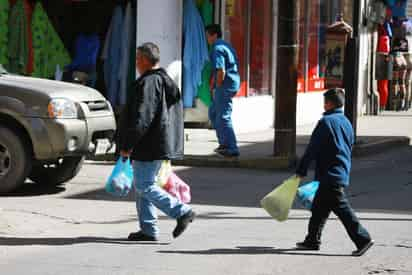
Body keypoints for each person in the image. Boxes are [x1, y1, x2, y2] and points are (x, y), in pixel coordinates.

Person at [119, 42, 195, 242]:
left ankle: (182, 211)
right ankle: (148, 229)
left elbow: (143, 116)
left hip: (149, 143)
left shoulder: (150, 82)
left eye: (137, 59)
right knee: (144, 185)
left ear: (144, 60)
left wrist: (128, 144)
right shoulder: (161, 80)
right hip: (156, 142)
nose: (136, 63)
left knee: (144, 185)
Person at [295, 88, 374, 257]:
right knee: (319, 209)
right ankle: (312, 240)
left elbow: (312, 149)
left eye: (325, 102)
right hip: (340, 171)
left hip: (330, 174)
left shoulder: (326, 122)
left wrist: (301, 169)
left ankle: (363, 239)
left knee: (341, 208)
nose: (323, 105)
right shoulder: (346, 122)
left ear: (329, 103)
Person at [206, 24, 240, 158]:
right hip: (229, 83)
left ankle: (231, 147)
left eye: (208, 35)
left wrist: (217, 86)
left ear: (214, 35)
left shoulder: (217, 48)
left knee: (223, 116)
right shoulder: (225, 45)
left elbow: (221, 70)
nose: (207, 38)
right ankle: (224, 144)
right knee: (214, 113)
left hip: (225, 85)